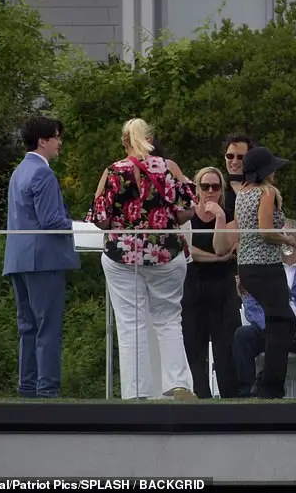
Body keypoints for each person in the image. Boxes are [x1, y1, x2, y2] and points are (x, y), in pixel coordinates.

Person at [87, 118, 197, 400]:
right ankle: (178, 384)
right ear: (149, 138)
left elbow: (100, 219)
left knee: (130, 322)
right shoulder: (169, 168)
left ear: (125, 141)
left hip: (122, 254)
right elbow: (187, 211)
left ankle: (136, 392)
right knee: (169, 318)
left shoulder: (113, 172)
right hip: (164, 252)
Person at [3, 116, 81, 398]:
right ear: (43, 140)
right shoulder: (43, 173)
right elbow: (51, 220)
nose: (60, 143)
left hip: (17, 258)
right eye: (57, 137)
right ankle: (47, 389)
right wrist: (82, 227)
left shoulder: (18, 172)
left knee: (27, 327)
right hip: (43, 259)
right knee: (47, 327)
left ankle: (26, 387)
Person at [213, 146, 296, 399]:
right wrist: (288, 239)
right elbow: (265, 231)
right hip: (266, 265)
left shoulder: (242, 194)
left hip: (248, 266)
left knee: (276, 321)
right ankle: (270, 384)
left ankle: (268, 382)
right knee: (284, 321)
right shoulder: (267, 192)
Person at [233, 218, 296, 398]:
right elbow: (251, 304)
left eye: (286, 235)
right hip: (269, 330)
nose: (282, 240)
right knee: (242, 335)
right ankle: (246, 394)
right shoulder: (264, 271)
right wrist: (272, 326)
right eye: (278, 235)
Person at [181, 166, 240, 398]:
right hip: (193, 284)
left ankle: (230, 398)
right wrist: (216, 258)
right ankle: (201, 398)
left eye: (215, 186)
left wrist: (219, 217)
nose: (210, 191)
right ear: (197, 188)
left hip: (223, 286)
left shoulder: (228, 215)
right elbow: (189, 250)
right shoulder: (188, 216)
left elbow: (221, 245)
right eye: (205, 186)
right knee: (194, 347)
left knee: (225, 346)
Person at [222, 134, 254, 218]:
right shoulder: (214, 187)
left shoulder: (262, 188)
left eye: (241, 157)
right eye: (230, 156)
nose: (235, 162)